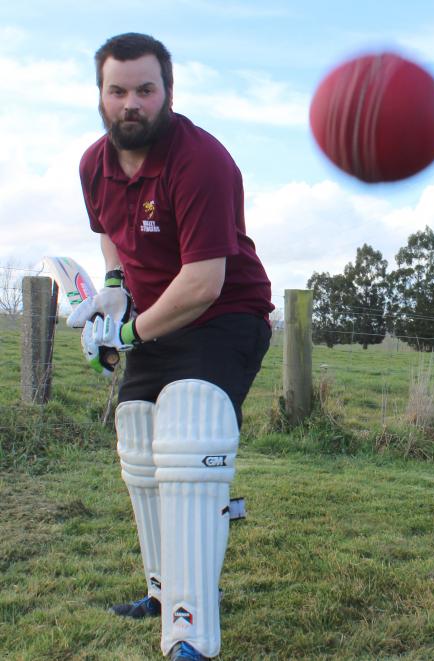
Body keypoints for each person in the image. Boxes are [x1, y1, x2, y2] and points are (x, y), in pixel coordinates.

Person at [68, 32, 274, 661]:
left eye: (145, 90)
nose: (131, 103)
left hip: (225, 314)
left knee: (189, 433)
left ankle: (190, 635)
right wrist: (112, 289)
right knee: (138, 438)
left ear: (168, 93)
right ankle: (160, 593)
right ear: (100, 96)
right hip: (159, 314)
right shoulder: (93, 165)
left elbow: (204, 282)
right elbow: (108, 233)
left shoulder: (201, 160)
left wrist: (130, 332)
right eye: (118, 90)